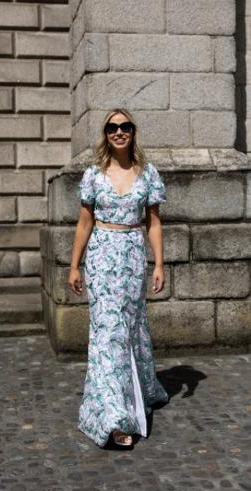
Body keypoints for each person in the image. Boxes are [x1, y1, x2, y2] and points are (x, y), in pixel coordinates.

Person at [68, 108, 169, 449]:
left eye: (125, 126)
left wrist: (159, 264)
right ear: (106, 134)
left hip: (132, 257)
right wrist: (74, 266)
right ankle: (113, 417)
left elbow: (153, 222)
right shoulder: (94, 175)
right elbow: (84, 223)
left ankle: (144, 387)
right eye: (113, 127)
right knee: (108, 334)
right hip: (101, 257)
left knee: (133, 326)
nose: (119, 132)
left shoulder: (148, 173)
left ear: (133, 132)